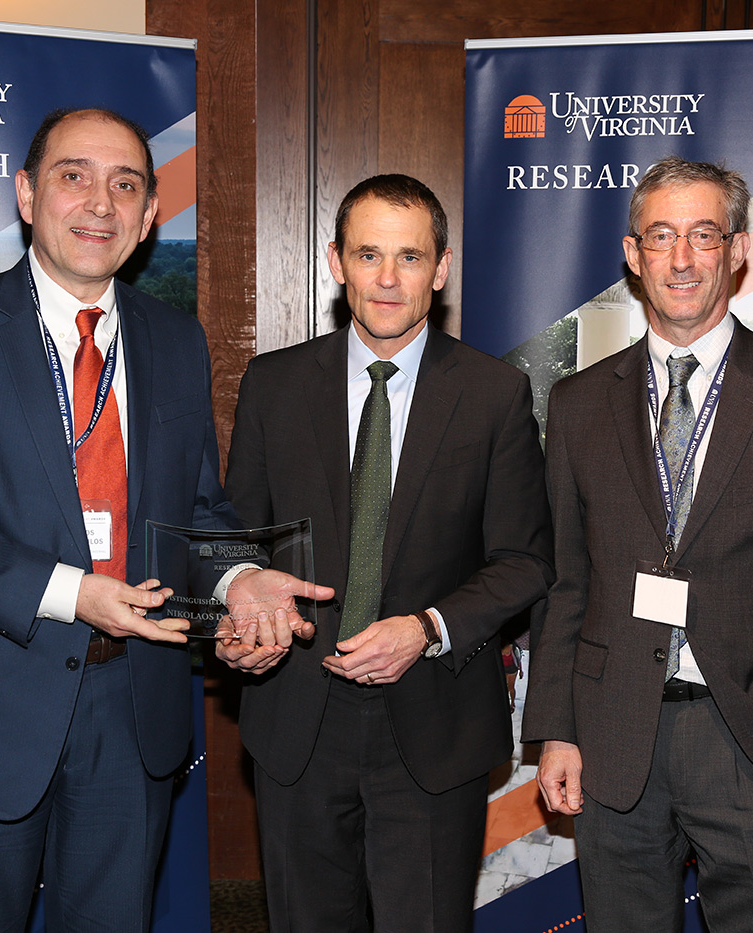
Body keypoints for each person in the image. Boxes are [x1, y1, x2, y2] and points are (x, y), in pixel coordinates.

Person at [0, 107, 326, 933]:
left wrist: (242, 576)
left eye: (126, 184)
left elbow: (196, 507)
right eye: (74, 176)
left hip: (129, 705)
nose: (99, 202)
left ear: (148, 220)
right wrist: (73, 591)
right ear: (29, 195)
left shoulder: (175, 339)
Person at [522, 157, 753, 932]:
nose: (682, 258)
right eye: (661, 236)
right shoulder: (579, 404)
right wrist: (557, 726)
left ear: (738, 248)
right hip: (616, 738)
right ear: (633, 254)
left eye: (702, 235)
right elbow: (565, 581)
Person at [219, 174, 555, 932]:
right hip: (297, 717)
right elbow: (235, 538)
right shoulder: (273, 385)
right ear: (335, 261)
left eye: (410, 256)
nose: (389, 278)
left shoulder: (495, 392)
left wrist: (427, 627)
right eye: (369, 254)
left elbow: (526, 559)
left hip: (432, 724)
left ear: (440, 270)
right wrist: (240, 606)